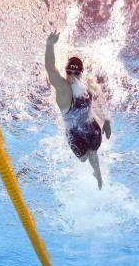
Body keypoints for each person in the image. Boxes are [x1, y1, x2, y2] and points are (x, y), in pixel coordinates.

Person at [45, 30, 111, 189]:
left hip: (91, 125)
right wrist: (49, 45)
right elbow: (50, 68)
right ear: (66, 71)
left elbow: (99, 98)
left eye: (76, 72)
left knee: (94, 152)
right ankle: (94, 170)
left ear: (81, 73)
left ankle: (98, 173)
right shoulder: (64, 90)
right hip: (73, 133)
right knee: (83, 158)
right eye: (69, 71)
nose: (72, 75)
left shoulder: (87, 82)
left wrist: (107, 119)